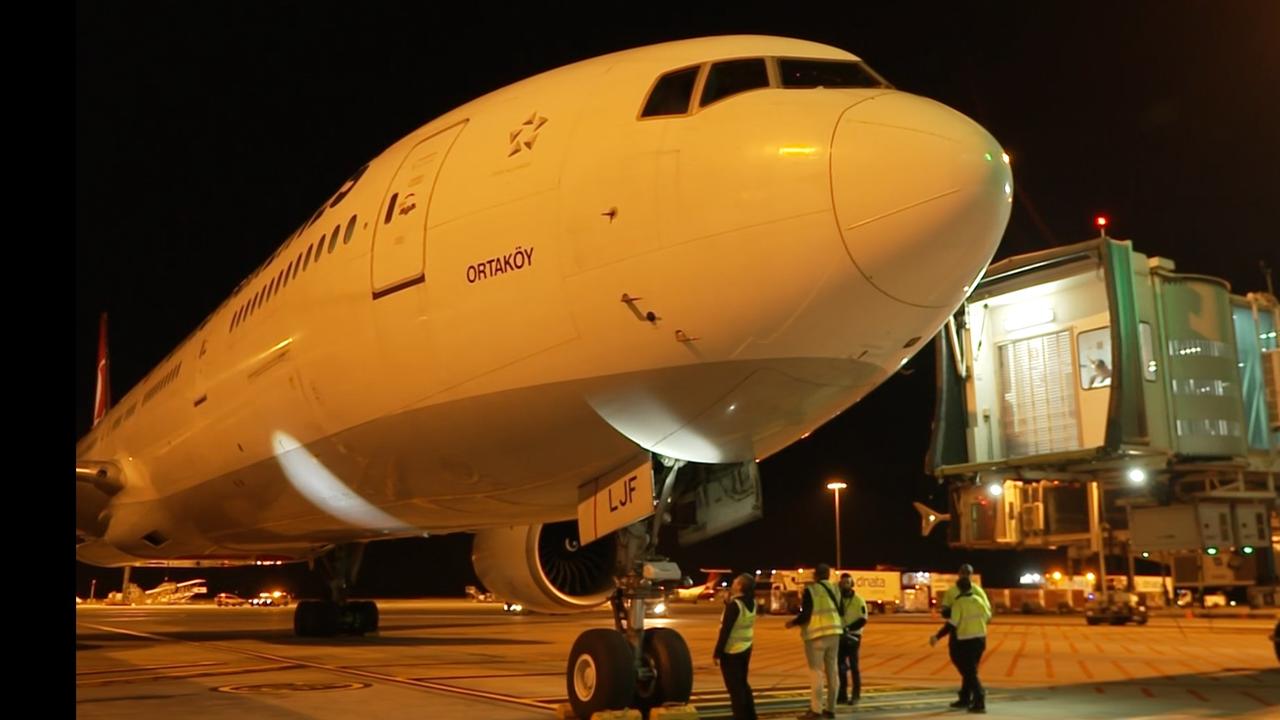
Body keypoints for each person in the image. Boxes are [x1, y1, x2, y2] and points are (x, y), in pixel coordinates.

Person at [785, 563, 843, 719]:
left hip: (817, 635)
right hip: (835, 633)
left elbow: (806, 615)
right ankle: (831, 709)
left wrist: (793, 623)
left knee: (816, 672)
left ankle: (816, 710)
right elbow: (841, 610)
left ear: (815, 575)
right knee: (832, 671)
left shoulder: (811, 590)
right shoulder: (835, 589)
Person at [930, 576, 992, 713]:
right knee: (970, 671)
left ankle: (979, 697)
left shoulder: (959, 603)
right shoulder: (979, 600)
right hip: (980, 640)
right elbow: (988, 617)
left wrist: (937, 636)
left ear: (959, 589)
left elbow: (952, 624)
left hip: (965, 641)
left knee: (967, 671)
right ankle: (965, 698)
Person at [713, 573, 758, 720]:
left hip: (731, 651)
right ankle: (750, 715)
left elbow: (726, 630)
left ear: (740, 586)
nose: (733, 584)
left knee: (735, 689)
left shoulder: (735, 605)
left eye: (735, 582)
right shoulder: (752, 603)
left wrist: (717, 652)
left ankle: (740, 716)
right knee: (743, 684)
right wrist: (728, 604)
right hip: (746, 648)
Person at [836, 573, 868, 705]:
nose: (845, 586)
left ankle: (856, 694)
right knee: (840, 666)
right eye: (843, 583)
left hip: (854, 636)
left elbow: (863, 619)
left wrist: (849, 628)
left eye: (847, 583)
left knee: (854, 666)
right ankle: (842, 694)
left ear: (852, 584)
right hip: (840, 635)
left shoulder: (859, 600)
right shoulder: (838, 600)